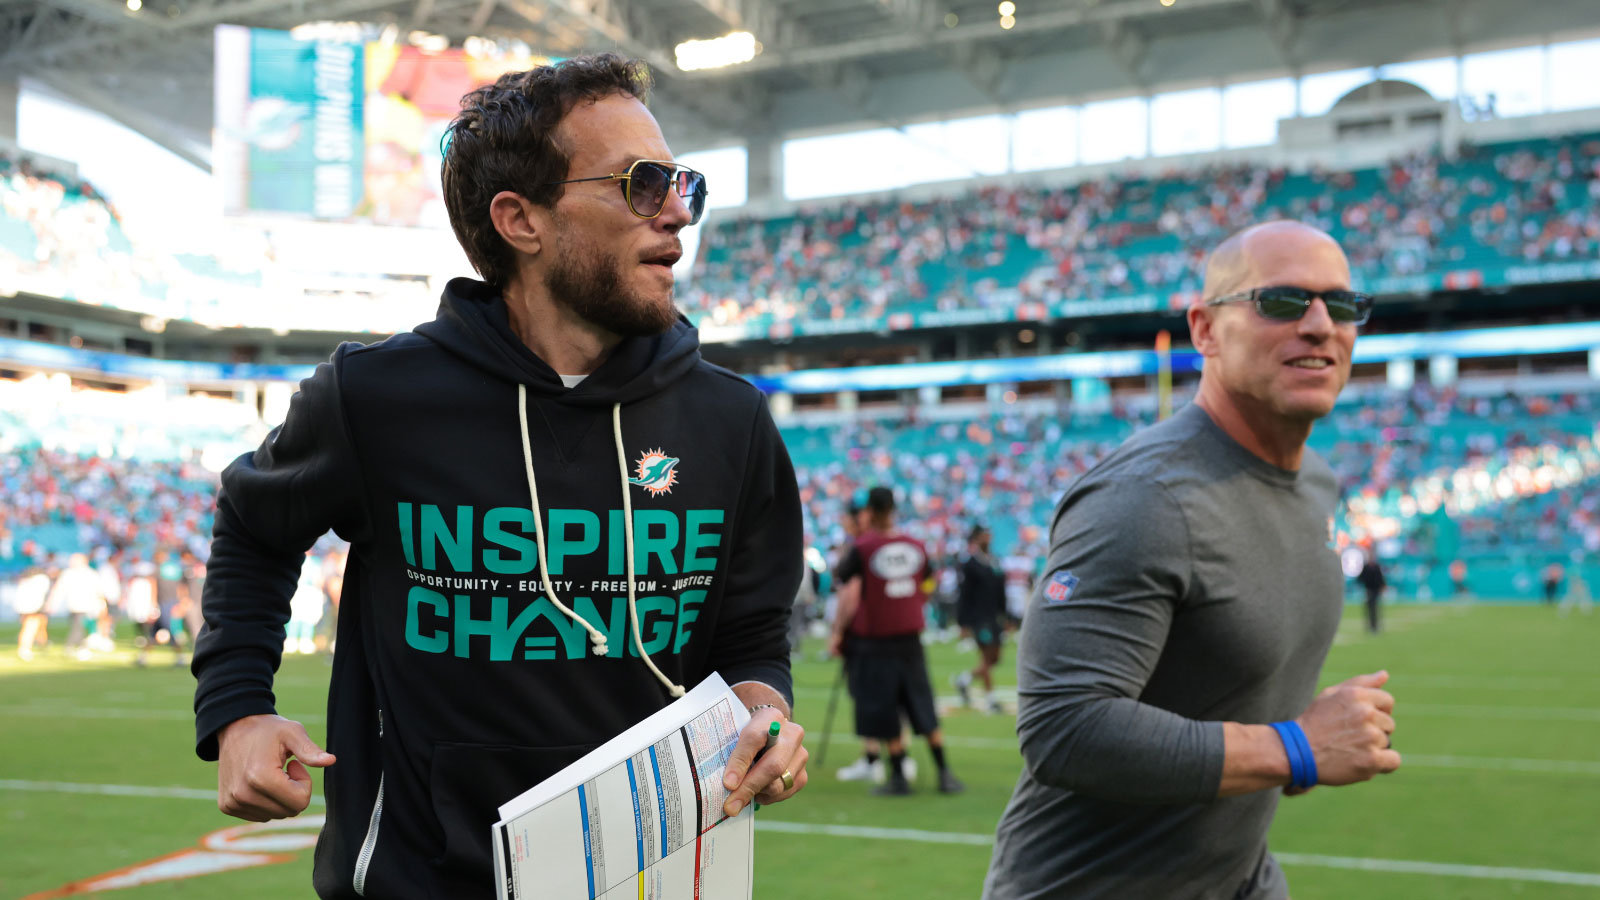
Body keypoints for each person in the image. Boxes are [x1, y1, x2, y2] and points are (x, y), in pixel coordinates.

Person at [192, 54, 808, 900]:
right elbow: (254, 527)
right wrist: (237, 706)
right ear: (521, 220)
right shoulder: (375, 399)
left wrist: (763, 711)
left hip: (660, 879)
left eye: (682, 183)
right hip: (420, 878)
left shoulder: (730, 418)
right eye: (642, 183)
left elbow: (751, 633)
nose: (677, 211)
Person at [984, 221, 1401, 900]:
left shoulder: (1318, 482)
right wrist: (1297, 747)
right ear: (1205, 330)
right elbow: (1064, 728)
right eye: (1284, 302)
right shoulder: (1143, 498)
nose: (1322, 325)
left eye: (1342, 304)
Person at [829, 486, 962, 796]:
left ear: (870, 512)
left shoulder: (863, 548)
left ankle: (899, 776)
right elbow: (928, 581)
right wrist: (915, 599)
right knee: (921, 703)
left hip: (878, 641)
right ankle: (944, 773)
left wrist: (839, 632)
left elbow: (845, 586)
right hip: (910, 638)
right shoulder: (916, 545)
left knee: (886, 707)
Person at [830, 492, 914, 785]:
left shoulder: (863, 548)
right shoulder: (885, 544)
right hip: (895, 636)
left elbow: (850, 596)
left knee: (870, 696)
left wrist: (838, 632)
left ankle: (874, 758)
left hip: (867, 637)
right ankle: (897, 757)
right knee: (895, 696)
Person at [954, 524, 1006, 713]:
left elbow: (1001, 591)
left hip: (993, 617)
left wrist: (1005, 616)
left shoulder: (995, 562)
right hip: (978, 618)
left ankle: (963, 680)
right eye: (984, 535)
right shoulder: (970, 564)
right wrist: (963, 623)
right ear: (976, 539)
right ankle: (991, 700)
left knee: (995, 658)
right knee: (985, 656)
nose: (988, 538)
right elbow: (964, 594)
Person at [14, 563, 52, 660]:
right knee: (30, 628)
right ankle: (25, 648)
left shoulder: (24, 580)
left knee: (36, 626)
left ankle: (41, 643)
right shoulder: (42, 579)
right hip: (34, 607)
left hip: (24, 608)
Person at [1358, 546, 1387, 634]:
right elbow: (1361, 578)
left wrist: (1382, 586)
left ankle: (1375, 626)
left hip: (1375, 590)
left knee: (1375, 608)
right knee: (1369, 608)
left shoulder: (1376, 567)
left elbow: (1380, 578)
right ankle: (1370, 626)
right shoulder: (1366, 567)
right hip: (1368, 590)